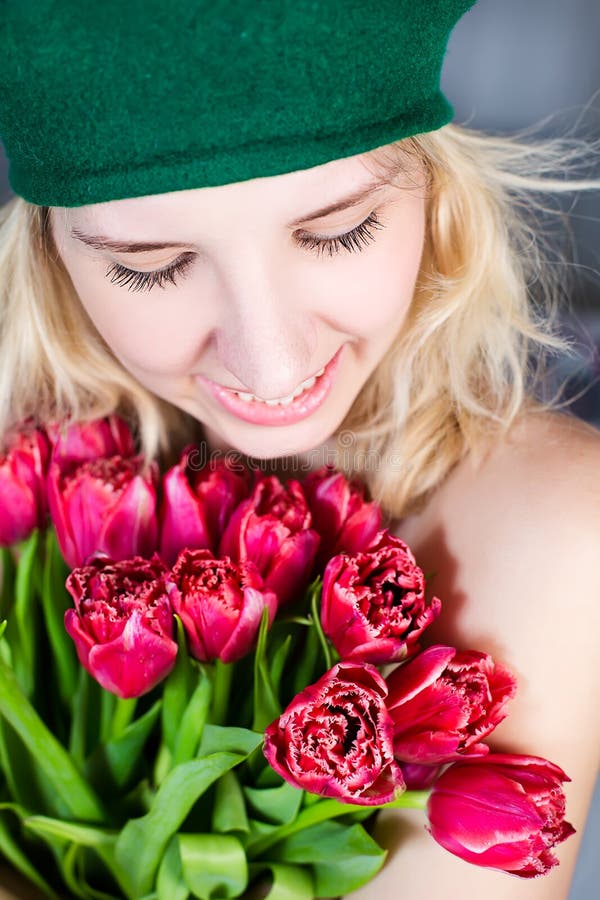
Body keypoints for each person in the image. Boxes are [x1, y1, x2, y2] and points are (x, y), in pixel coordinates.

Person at [0, 2, 599, 898]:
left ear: (437, 193)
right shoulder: (27, 476)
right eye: (153, 266)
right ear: (49, 251)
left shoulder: (552, 524)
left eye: (338, 231)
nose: (270, 361)